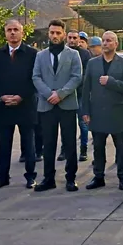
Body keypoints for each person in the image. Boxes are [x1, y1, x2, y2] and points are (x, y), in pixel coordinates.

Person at [33, 20, 83, 192]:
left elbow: (77, 77)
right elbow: (36, 77)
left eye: (58, 33)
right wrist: (49, 94)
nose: (54, 36)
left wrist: (60, 94)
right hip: (46, 105)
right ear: (48, 34)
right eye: (52, 33)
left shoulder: (73, 55)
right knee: (48, 143)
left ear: (64, 34)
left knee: (70, 143)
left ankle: (71, 178)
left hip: (67, 104)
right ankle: (48, 179)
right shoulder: (40, 55)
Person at [0, 19, 39, 190]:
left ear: (22, 33)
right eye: (9, 30)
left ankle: (31, 177)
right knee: (3, 146)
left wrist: (21, 96)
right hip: (4, 108)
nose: (12, 33)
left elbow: (34, 79)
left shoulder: (32, 54)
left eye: (16, 29)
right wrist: (1, 97)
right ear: (5, 33)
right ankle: (2, 177)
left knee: (29, 145)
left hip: (26, 106)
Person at [81, 31, 123, 191]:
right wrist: (85, 111)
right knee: (98, 147)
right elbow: (86, 88)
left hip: (116, 112)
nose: (105, 43)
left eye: (109, 40)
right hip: (97, 112)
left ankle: (122, 177)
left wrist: (111, 82)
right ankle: (98, 177)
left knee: (120, 147)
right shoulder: (92, 63)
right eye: (103, 40)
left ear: (116, 44)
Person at [65, 30, 92, 162]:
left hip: (80, 94)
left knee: (83, 124)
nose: (72, 40)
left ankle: (83, 150)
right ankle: (64, 150)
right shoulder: (63, 53)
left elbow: (86, 74)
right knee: (66, 124)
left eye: (75, 38)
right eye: (70, 37)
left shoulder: (85, 54)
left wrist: (75, 85)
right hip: (66, 94)